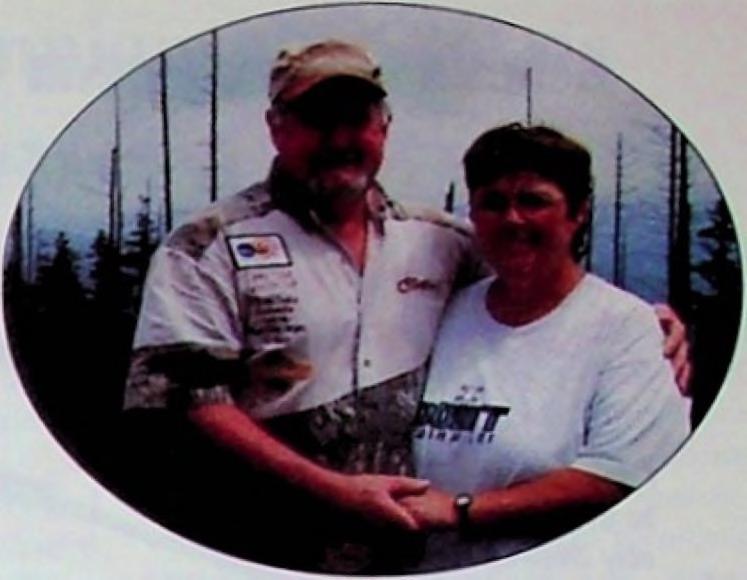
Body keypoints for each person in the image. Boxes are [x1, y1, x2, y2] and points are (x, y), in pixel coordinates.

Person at [122, 40, 689, 573]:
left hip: (413, 551)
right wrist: (334, 492)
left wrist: (650, 325)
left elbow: (544, 280)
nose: (339, 138)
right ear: (276, 126)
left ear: (384, 126)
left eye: (356, 119)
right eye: (318, 120)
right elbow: (185, 399)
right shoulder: (208, 245)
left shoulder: (442, 241)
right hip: (264, 539)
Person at [401, 124, 692, 572]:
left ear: (579, 213)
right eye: (493, 202)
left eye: (533, 201)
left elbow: (619, 477)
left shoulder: (625, 329)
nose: (512, 219)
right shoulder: (447, 313)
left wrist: (462, 510)